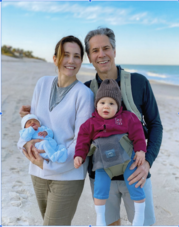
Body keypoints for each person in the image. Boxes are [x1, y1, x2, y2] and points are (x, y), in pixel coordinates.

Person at [84, 27, 163, 226]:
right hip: (101, 175)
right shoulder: (85, 90)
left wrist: (148, 162)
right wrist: (31, 118)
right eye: (95, 50)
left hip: (136, 173)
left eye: (106, 48)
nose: (101, 54)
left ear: (114, 51)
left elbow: (155, 125)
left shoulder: (138, 82)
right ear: (89, 56)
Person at [17, 35, 94, 225]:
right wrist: (26, 145)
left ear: (81, 61)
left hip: (67, 175)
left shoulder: (84, 94)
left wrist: (48, 165)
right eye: (65, 54)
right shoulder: (42, 84)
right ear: (55, 58)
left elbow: (81, 143)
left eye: (76, 56)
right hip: (37, 171)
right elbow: (34, 125)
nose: (71, 60)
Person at [74, 79, 147, 226]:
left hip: (126, 161)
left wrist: (140, 150)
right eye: (102, 103)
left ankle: (139, 215)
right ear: (96, 105)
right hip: (103, 164)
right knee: (100, 189)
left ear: (118, 106)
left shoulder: (127, 118)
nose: (106, 106)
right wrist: (79, 155)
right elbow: (82, 140)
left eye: (111, 103)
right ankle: (100, 218)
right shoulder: (90, 123)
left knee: (135, 183)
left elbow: (138, 134)